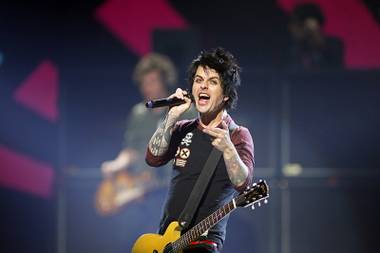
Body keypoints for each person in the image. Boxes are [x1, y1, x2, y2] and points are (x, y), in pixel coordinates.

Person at [145, 47, 254, 252]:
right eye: (198, 80)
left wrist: (228, 150)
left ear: (226, 96)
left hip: (203, 243)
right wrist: (172, 116)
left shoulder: (237, 135)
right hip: (166, 241)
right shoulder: (182, 128)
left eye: (212, 82)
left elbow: (243, 184)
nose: (203, 85)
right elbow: (153, 157)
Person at [100, 53, 196, 210]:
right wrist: (116, 164)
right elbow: (131, 150)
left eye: (152, 81)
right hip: (142, 193)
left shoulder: (185, 111)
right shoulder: (138, 113)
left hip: (175, 189)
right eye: (143, 83)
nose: (147, 87)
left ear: (165, 81)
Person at [286, 3, 344, 70]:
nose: (290, 28)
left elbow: (336, 71)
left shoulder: (333, 45)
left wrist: (315, 34)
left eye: (295, 24)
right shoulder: (291, 48)